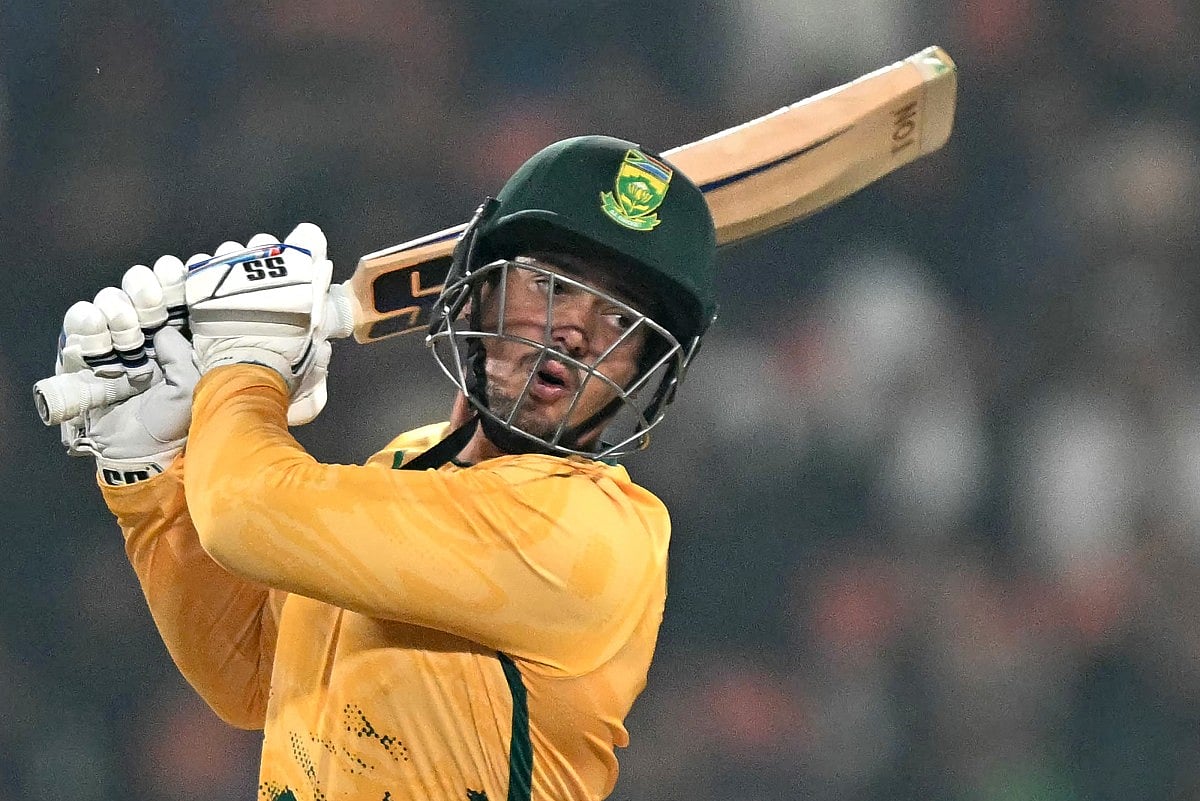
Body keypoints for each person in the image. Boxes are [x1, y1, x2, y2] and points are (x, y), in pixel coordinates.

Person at [47, 135, 718, 801]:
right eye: (549, 283)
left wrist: (247, 360)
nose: (576, 330)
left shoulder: (591, 534)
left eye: (622, 317)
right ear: (480, 291)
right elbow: (250, 673)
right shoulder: (408, 464)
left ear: (649, 373)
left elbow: (241, 510)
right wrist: (153, 473)